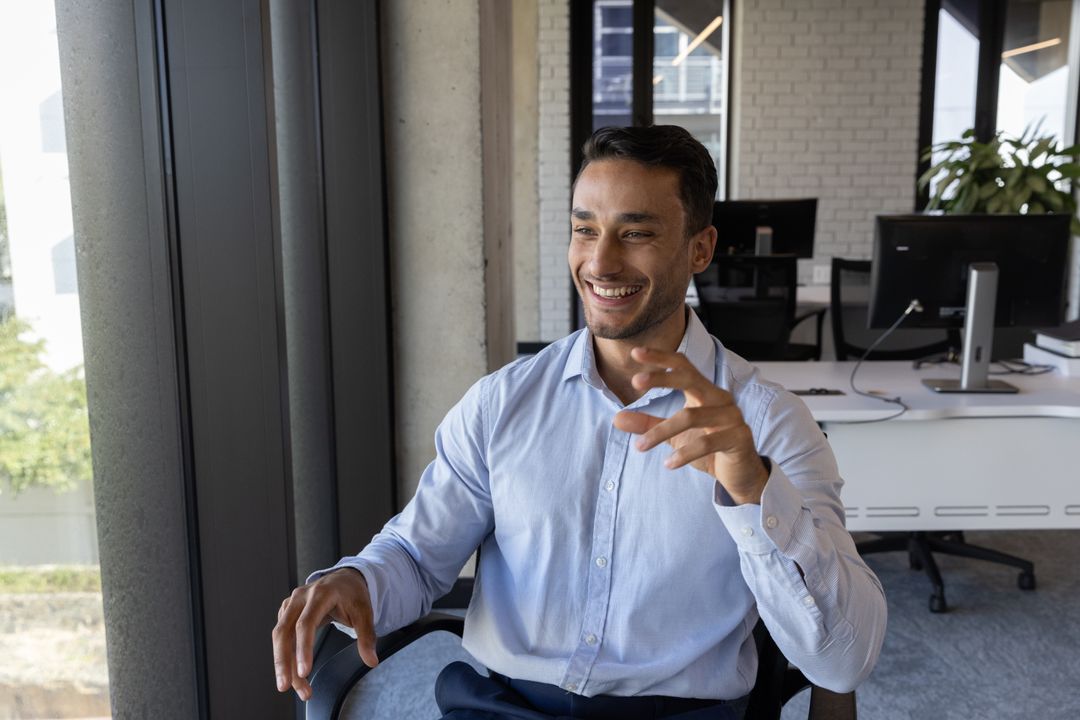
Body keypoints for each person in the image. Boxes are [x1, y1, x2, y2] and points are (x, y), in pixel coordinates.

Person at [272, 125, 887, 719]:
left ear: (700, 248)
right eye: (583, 229)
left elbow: (844, 662)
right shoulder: (500, 403)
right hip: (502, 706)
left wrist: (753, 490)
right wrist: (359, 578)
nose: (600, 261)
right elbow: (416, 553)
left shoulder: (769, 423)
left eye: (636, 233)